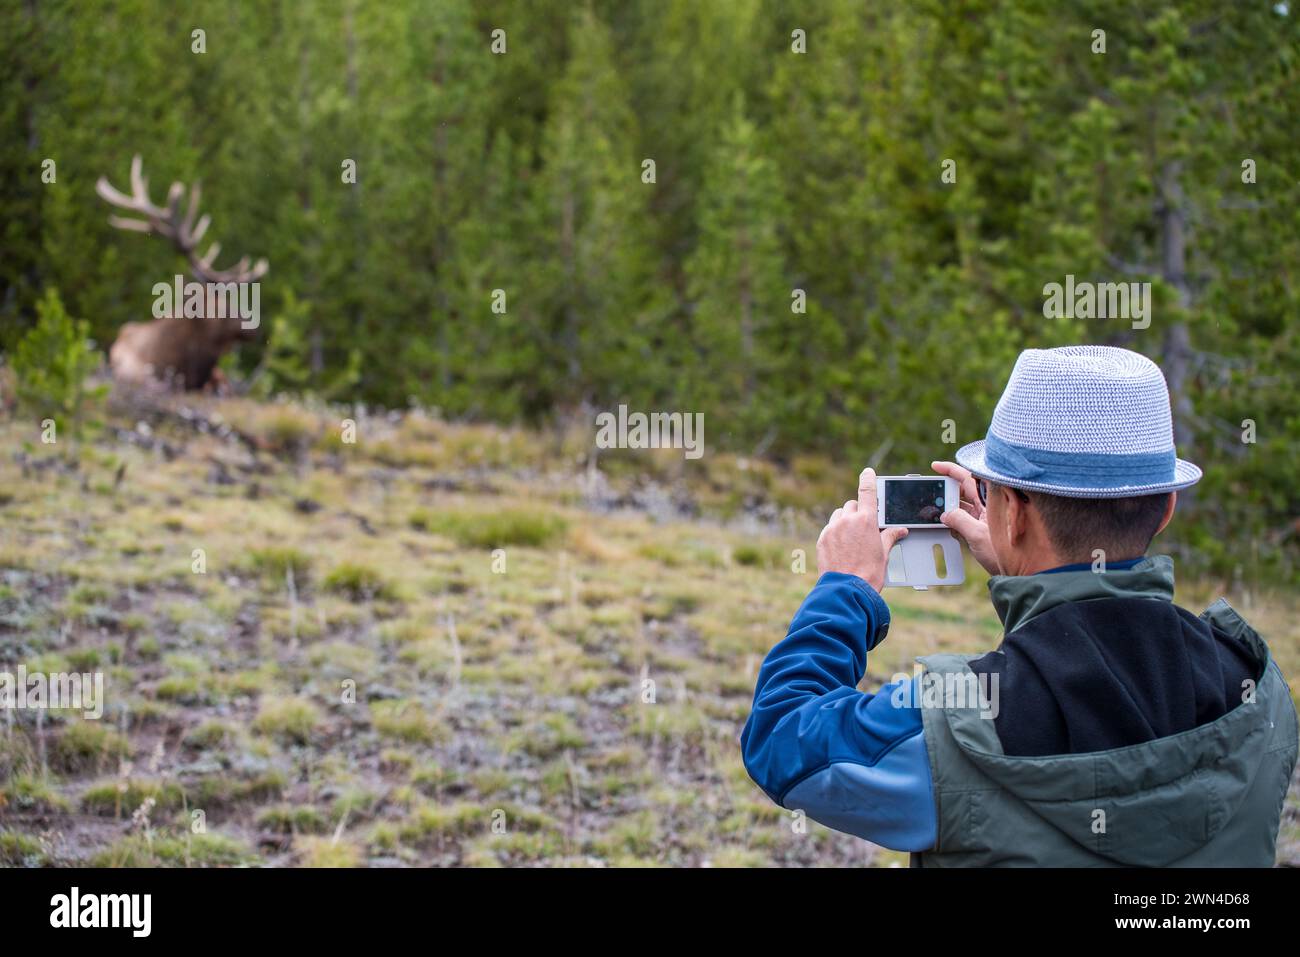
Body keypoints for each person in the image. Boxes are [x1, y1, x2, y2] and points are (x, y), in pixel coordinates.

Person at [741, 345, 1299, 866]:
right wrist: (1026, 567)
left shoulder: (957, 725)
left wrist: (845, 588)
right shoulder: (1260, 692)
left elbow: (781, 739)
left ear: (1014, 511)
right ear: (1167, 507)